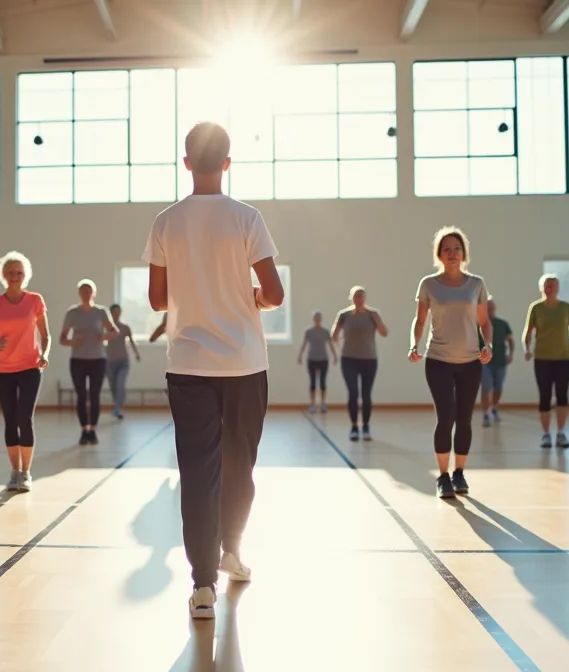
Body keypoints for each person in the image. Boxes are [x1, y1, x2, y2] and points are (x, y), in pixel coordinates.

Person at [144, 122, 283, 619]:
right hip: (244, 362)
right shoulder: (247, 217)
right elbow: (275, 293)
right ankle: (232, 552)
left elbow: (158, 298)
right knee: (239, 464)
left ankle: (203, 587)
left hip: (187, 363)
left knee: (197, 471)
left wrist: (193, 286)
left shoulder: (166, 221)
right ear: (227, 163)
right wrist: (249, 296)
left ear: (186, 164)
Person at [409, 227, 492, 499]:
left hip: (470, 362)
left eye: (457, 248)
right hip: (439, 361)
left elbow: (484, 322)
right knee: (445, 418)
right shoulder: (429, 284)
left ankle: (459, 473)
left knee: (464, 419)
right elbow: (420, 320)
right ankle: (443, 477)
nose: (452, 253)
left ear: (463, 253)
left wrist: (487, 345)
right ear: (440, 255)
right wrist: (414, 344)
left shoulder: (476, 284)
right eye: (447, 249)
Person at [0, 251, 50, 494]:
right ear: (4, 275)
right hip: (3, 370)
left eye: (19, 272)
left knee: (25, 418)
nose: (15, 276)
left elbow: (45, 335)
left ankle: (27, 473)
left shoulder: (35, 301)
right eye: (11, 272)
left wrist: (44, 354)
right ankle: (15, 472)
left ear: (25, 276)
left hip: (30, 367)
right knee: (10, 420)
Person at [522, 274, 569, 448]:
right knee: (545, 396)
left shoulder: (566, 308)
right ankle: (546, 434)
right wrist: (527, 349)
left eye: (553, 285)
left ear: (558, 288)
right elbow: (527, 332)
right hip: (542, 359)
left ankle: (561, 433)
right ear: (542, 288)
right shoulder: (536, 308)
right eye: (547, 285)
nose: (550, 288)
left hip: (563, 358)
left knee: (562, 395)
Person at [60, 280, 117, 445]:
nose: (86, 294)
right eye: (83, 291)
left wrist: (104, 337)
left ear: (94, 293)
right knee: (81, 396)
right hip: (78, 360)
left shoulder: (101, 312)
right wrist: (72, 342)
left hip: (98, 359)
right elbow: (62, 338)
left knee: (94, 395)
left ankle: (93, 429)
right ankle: (84, 429)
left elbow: (114, 331)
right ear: (79, 293)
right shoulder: (72, 313)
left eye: (89, 291)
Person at [332, 287, 387, 441]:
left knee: (366, 394)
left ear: (365, 298)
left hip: (369, 359)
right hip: (349, 359)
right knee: (353, 393)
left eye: (362, 296)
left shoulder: (373, 314)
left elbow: (384, 332)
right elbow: (334, 335)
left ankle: (366, 426)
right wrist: (340, 346)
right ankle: (354, 427)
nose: (359, 299)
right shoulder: (344, 315)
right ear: (352, 298)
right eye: (356, 296)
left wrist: (377, 322)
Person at [478, 298, 514, 427]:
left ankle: (494, 408)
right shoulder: (479, 324)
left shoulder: (502, 324)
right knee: (486, 387)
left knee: (497, 387)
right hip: (484, 363)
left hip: (500, 362)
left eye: (492, 308)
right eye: (488, 308)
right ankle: (485, 414)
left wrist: (510, 354)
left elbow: (510, 340)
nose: (490, 310)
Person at [296, 311, 336, 414]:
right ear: (313, 319)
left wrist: (334, 355)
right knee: (313, 382)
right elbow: (304, 344)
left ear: (321, 319)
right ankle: (312, 404)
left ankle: (323, 403)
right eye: (316, 318)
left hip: (323, 359)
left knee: (322, 382)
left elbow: (330, 344)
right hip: (312, 359)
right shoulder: (308, 332)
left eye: (319, 318)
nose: (317, 320)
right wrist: (300, 355)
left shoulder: (326, 332)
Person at [105, 304, 141, 419]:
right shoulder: (105, 327)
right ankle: (117, 405)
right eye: (114, 312)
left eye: (118, 312)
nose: (116, 315)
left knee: (120, 384)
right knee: (113, 387)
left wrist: (136, 354)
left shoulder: (125, 328)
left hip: (123, 361)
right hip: (109, 362)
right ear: (110, 314)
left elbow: (131, 341)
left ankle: (118, 408)